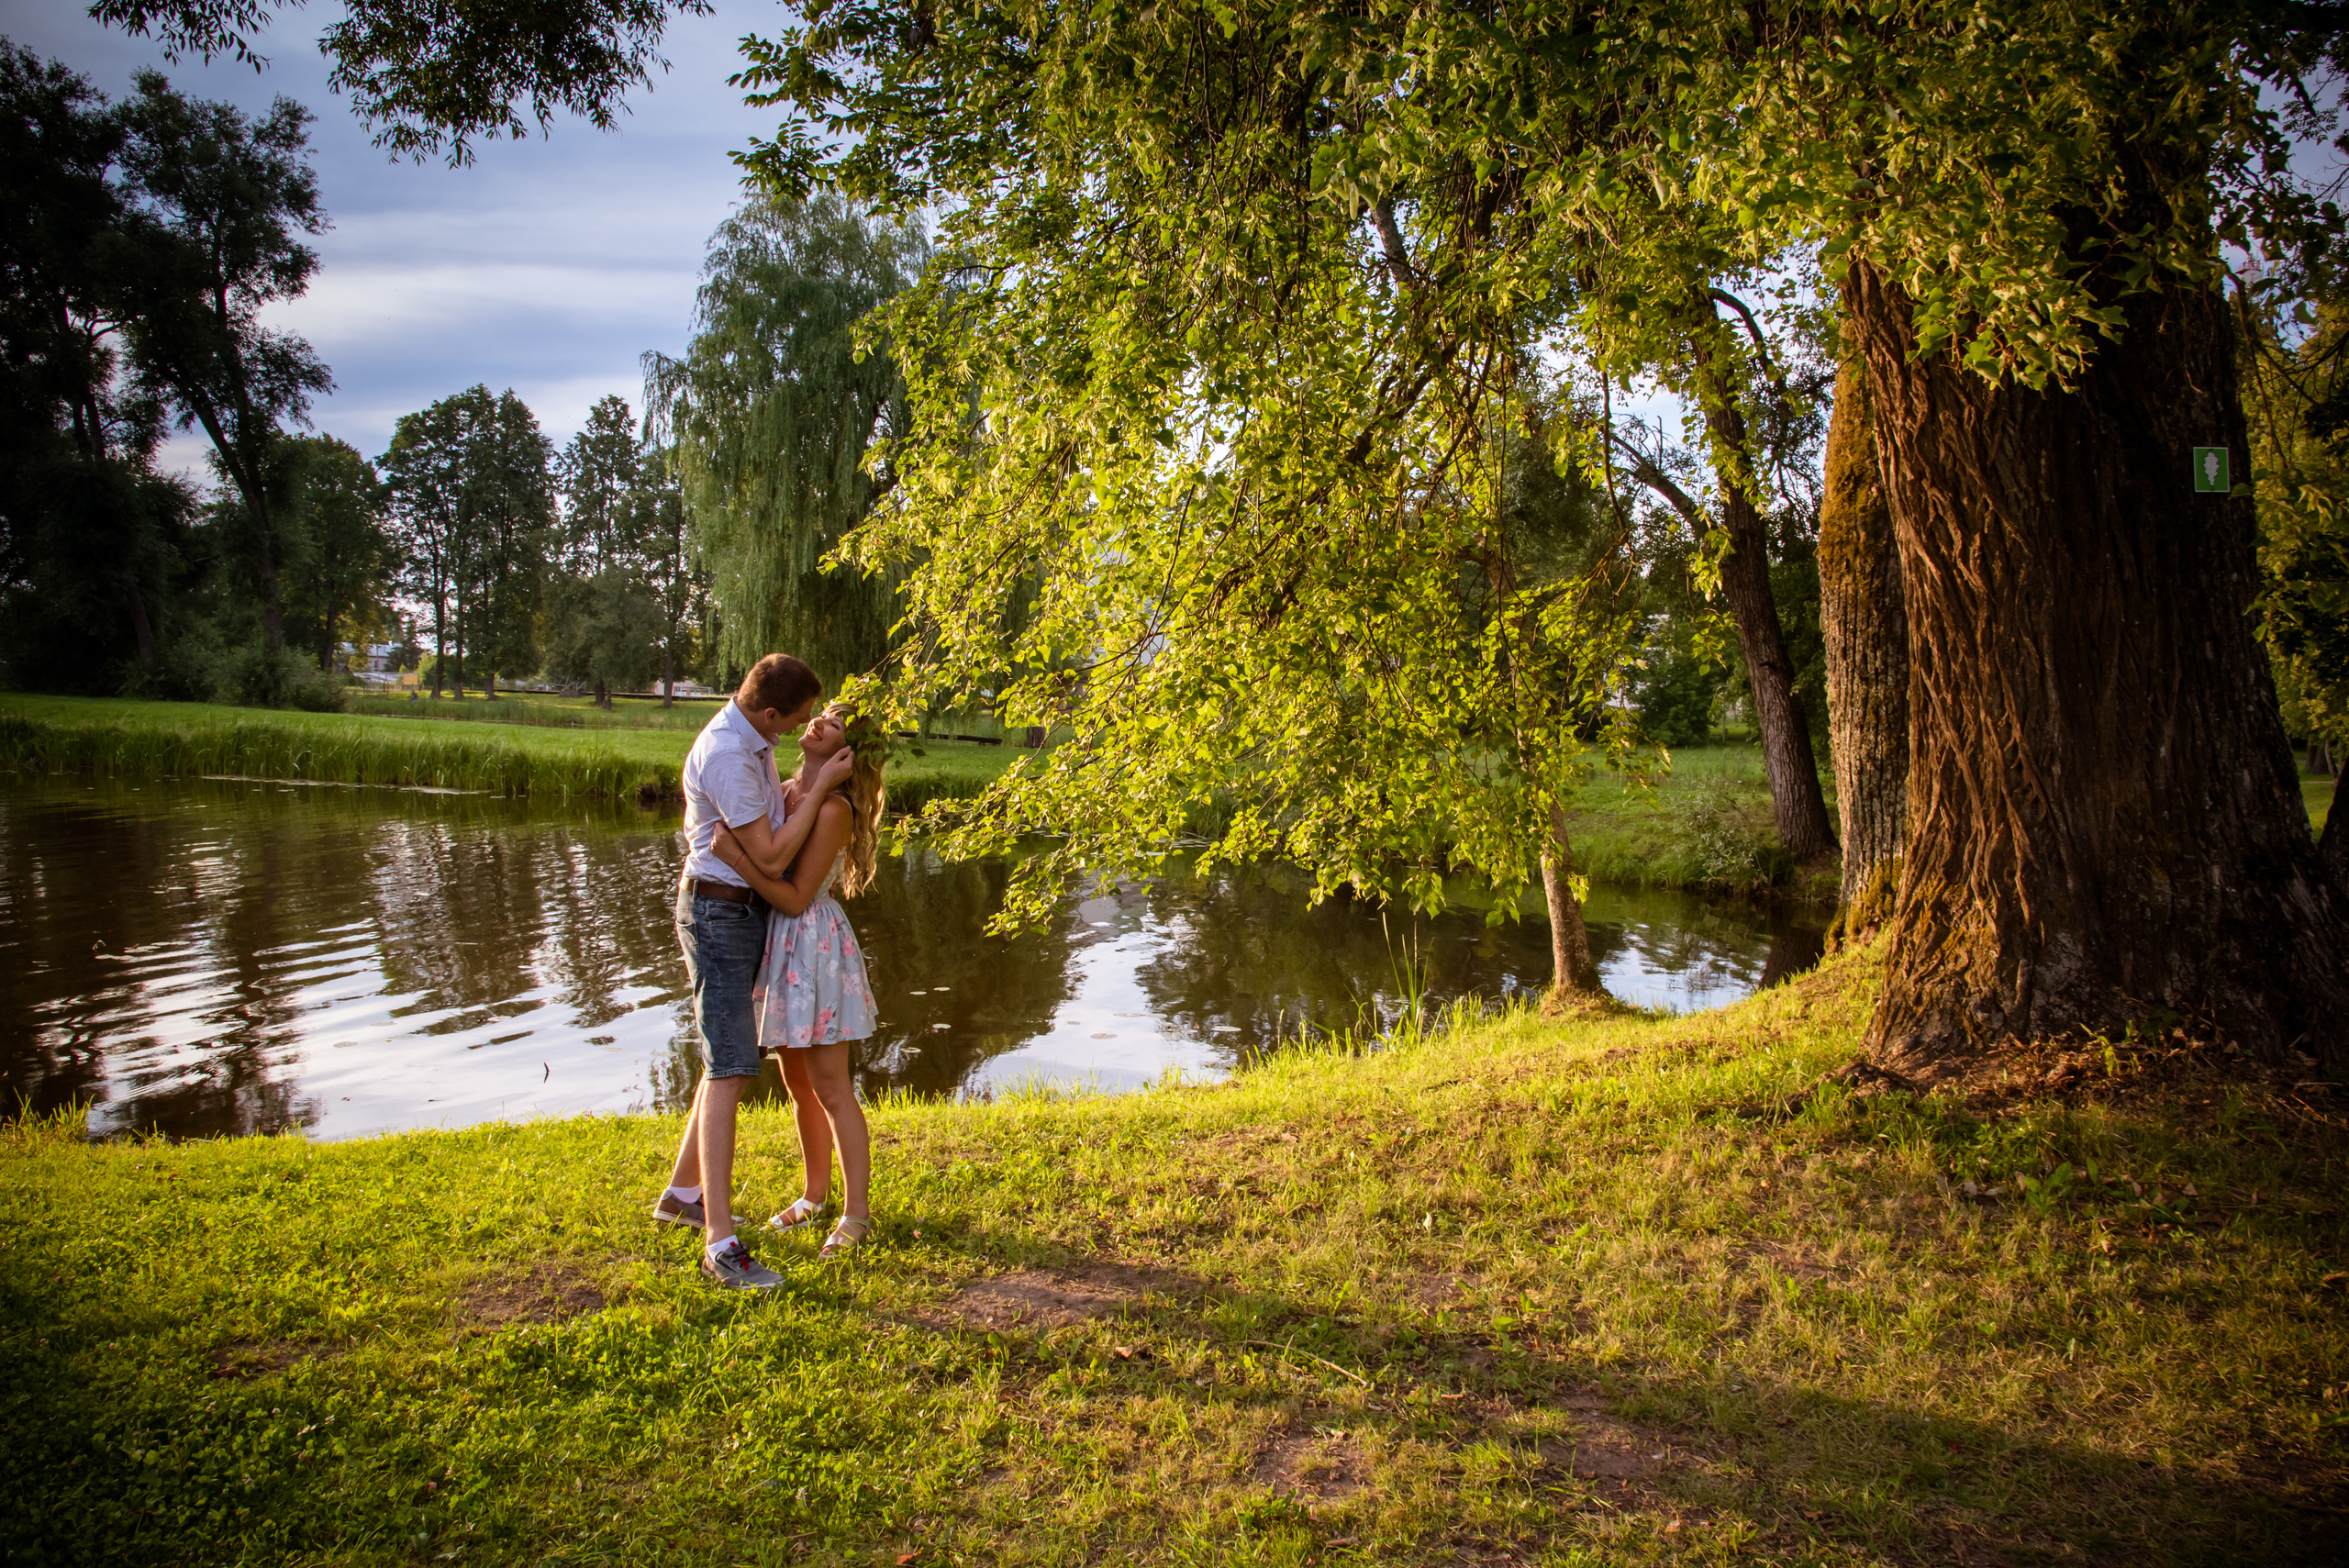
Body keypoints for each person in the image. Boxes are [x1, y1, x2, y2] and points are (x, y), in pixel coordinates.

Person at [655, 653, 855, 1290]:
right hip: (717, 913)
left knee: (726, 1059)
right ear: (770, 714)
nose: (803, 726)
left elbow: (768, 847)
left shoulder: (756, 742)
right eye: (797, 718)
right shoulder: (728, 754)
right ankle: (720, 1243)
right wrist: (818, 788)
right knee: (732, 1068)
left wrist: (810, 793)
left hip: (742, 912)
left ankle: (685, 1195)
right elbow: (771, 849)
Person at [709, 703, 885, 1260]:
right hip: (780, 944)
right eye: (823, 715)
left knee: (832, 1086)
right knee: (798, 1084)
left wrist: (733, 858)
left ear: (845, 752)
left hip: (812, 943)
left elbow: (795, 895)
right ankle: (814, 1194)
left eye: (833, 724)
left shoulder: (834, 809)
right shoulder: (785, 792)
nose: (817, 723)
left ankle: (856, 1214)